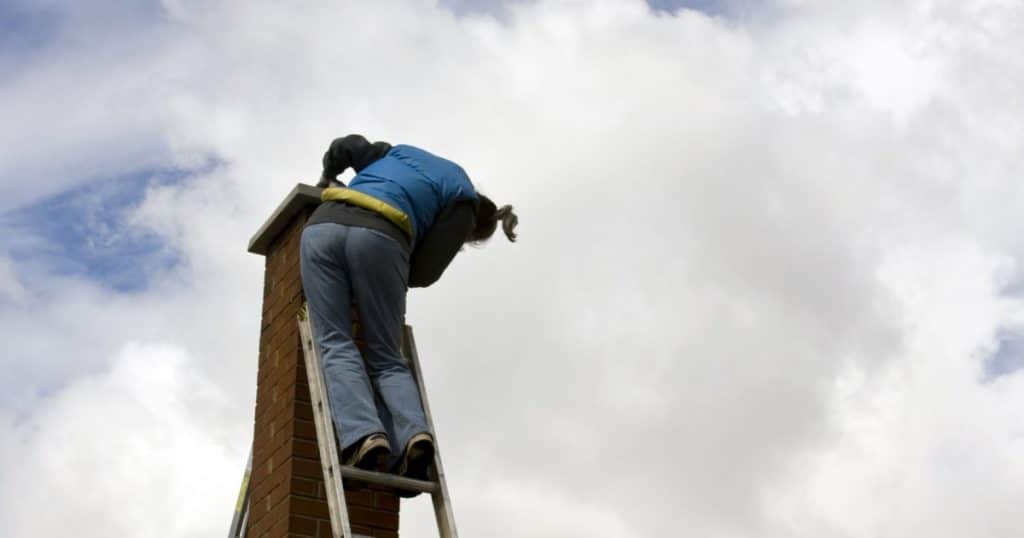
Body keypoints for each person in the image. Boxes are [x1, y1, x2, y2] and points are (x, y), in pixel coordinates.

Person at [299, 134, 518, 491]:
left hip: (324, 224)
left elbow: (347, 145)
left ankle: (362, 437)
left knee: (334, 341)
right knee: (385, 357)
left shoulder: (401, 154)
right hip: (382, 239)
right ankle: (413, 436)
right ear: (474, 230)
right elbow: (424, 272)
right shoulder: (461, 204)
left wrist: (327, 177)